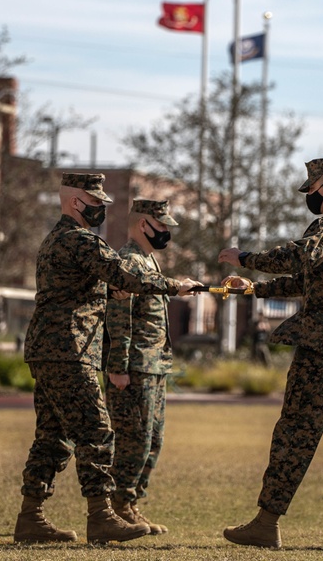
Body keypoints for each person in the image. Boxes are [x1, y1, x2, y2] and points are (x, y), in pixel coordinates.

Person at [13, 173, 202, 546]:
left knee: (53, 437)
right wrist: (172, 286)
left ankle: (31, 517)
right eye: (96, 202)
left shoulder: (57, 239)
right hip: (69, 350)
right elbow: (123, 272)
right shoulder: (78, 240)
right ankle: (101, 517)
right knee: (97, 432)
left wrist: (109, 294)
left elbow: (86, 289)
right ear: (74, 202)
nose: (101, 209)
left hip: (51, 349)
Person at [218, 156, 323, 550]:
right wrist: (253, 288)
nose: (309, 197)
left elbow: (300, 256)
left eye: (311, 189)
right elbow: (308, 280)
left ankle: (266, 522)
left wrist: (247, 258)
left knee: (296, 430)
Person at [105, 199, 179, 536]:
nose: (166, 232)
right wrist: (118, 367)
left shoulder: (149, 262)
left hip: (154, 366)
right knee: (134, 439)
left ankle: (131, 503)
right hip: (134, 367)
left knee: (153, 441)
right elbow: (119, 320)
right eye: (162, 225)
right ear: (143, 224)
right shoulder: (129, 262)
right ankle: (119, 505)